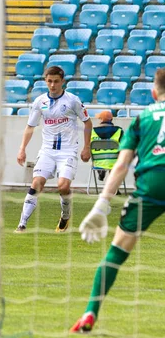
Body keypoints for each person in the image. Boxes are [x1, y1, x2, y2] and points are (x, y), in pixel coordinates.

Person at [70, 68, 165, 333]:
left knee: (116, 252)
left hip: (151, 187)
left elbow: (122, 165)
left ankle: (90, 312)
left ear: (153, 92)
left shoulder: (143, 117)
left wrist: (101, 204)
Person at [15, 66, 93, 233]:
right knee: (36, 182)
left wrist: (86, 147)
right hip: (47, 151)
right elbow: (30, 126)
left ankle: (65, 215)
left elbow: (87, 122)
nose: (52, 85)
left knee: (63, 187)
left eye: (56, 81)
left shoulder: (72, 100)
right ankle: (21, 225)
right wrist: (22, 148)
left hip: (68, 151)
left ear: (62, 81)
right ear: (45, 81)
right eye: (49, 81)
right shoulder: (40, 102)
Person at [91, 110, 124, 181]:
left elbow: (90, 148)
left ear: (101, 120)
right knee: (113, 161)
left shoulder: (92, 131)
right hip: (114, 162)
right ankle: (115, 188)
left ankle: (101, 171)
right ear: (111, 119)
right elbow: (123, 147)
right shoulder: (119, 131)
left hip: (98, 162)